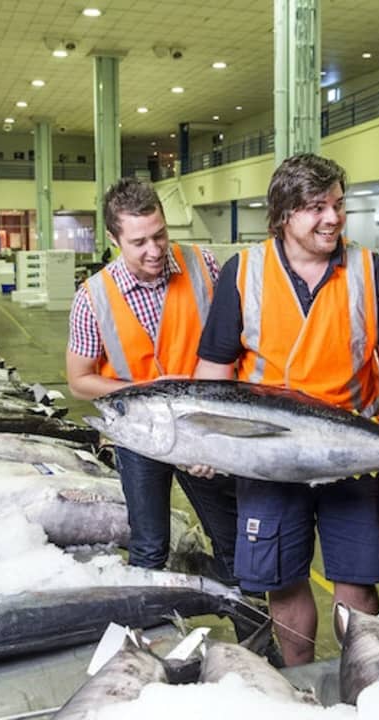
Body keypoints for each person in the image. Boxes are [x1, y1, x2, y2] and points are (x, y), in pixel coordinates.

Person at [194, 153, 379, 665]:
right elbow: (215, 366)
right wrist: (210, 438)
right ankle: (300, 680)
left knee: (357, 582)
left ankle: (362, 676)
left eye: (338, 204)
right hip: (268, 457)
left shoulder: (368, 269)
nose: (333, 218)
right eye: (316, 207)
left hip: (350, 451)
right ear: (282, 216)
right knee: (283, 579)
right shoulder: (244, 271)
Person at [65, 178, 237, 579]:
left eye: (160, 235)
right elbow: (79, 381)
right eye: (139, 242)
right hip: (138, 434)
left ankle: (255, 640)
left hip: (203, 428)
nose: (155, 250)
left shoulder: (203, 265)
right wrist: (150, 394)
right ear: (114, 238)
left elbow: (235, 345)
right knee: (148, 545)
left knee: (233, 541)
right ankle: (147, 639)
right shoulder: (92, 297)